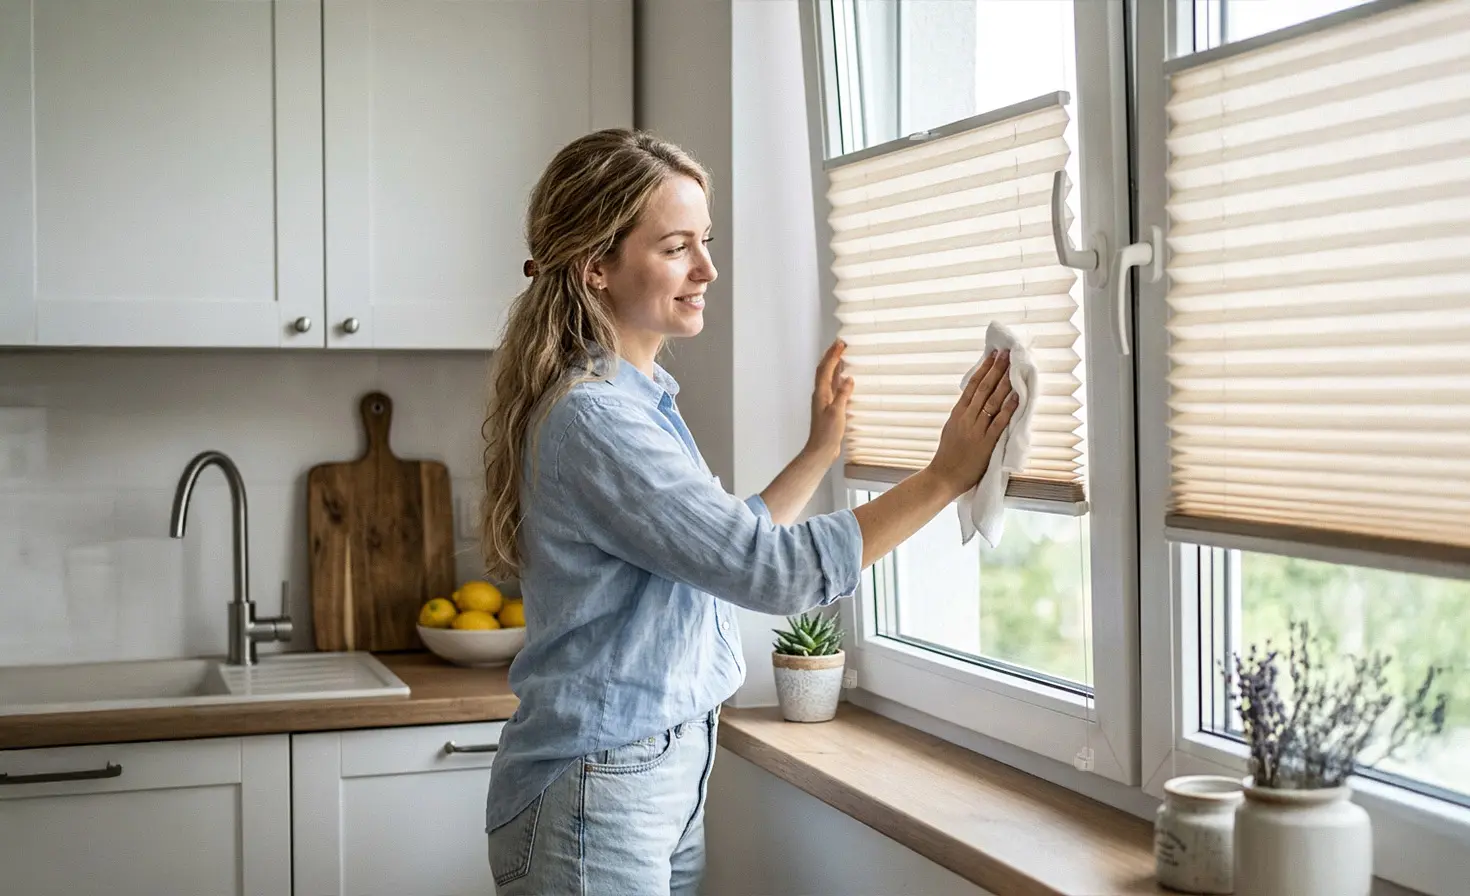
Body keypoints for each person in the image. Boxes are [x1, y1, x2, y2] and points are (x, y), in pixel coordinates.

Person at [479, 128, 1018, 896]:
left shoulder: (633, 400)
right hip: (595, 793)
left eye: (705, 241)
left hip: (646, 778)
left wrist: (817, 453)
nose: (707, 269)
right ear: (595, 265)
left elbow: (716, 554)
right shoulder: (597, 421)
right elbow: (772, 574)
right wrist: (944, 477)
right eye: (675, 247)